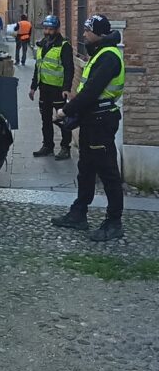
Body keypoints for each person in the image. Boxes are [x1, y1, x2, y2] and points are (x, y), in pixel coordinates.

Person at [51, 14, 125, 242]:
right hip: (93, 119)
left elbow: (91, 91)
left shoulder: (109, 57)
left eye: (87, 30)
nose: (84, 34)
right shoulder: (100, 54)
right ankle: (79, 212)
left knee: (108, 171)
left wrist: (67, 110)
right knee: (86, 168)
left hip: (101, 121)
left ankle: (114, 222)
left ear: (98, 33)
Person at [29, 15, 74, 160]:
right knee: (45, 120)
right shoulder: (42, 44)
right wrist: (33, 87)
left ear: (57, 29)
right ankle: (47, 146)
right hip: (44, 89)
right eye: (46, 29)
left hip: (59, 90)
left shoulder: (64, 46)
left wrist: (66, 88)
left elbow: (69, 68)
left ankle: (65, 148)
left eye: (50, 29)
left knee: (63, 120)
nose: (47, 32)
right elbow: (38, 67)